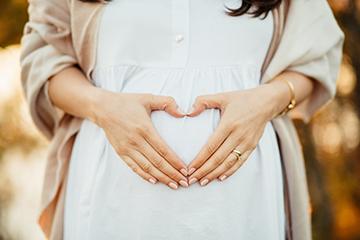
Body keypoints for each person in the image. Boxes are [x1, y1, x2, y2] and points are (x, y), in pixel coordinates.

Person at [20, 0, 344, 239]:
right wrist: (102, 106)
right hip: (111, 206)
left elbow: (316, 57)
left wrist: (268, 99)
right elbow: (44, 57)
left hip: (244, 208)